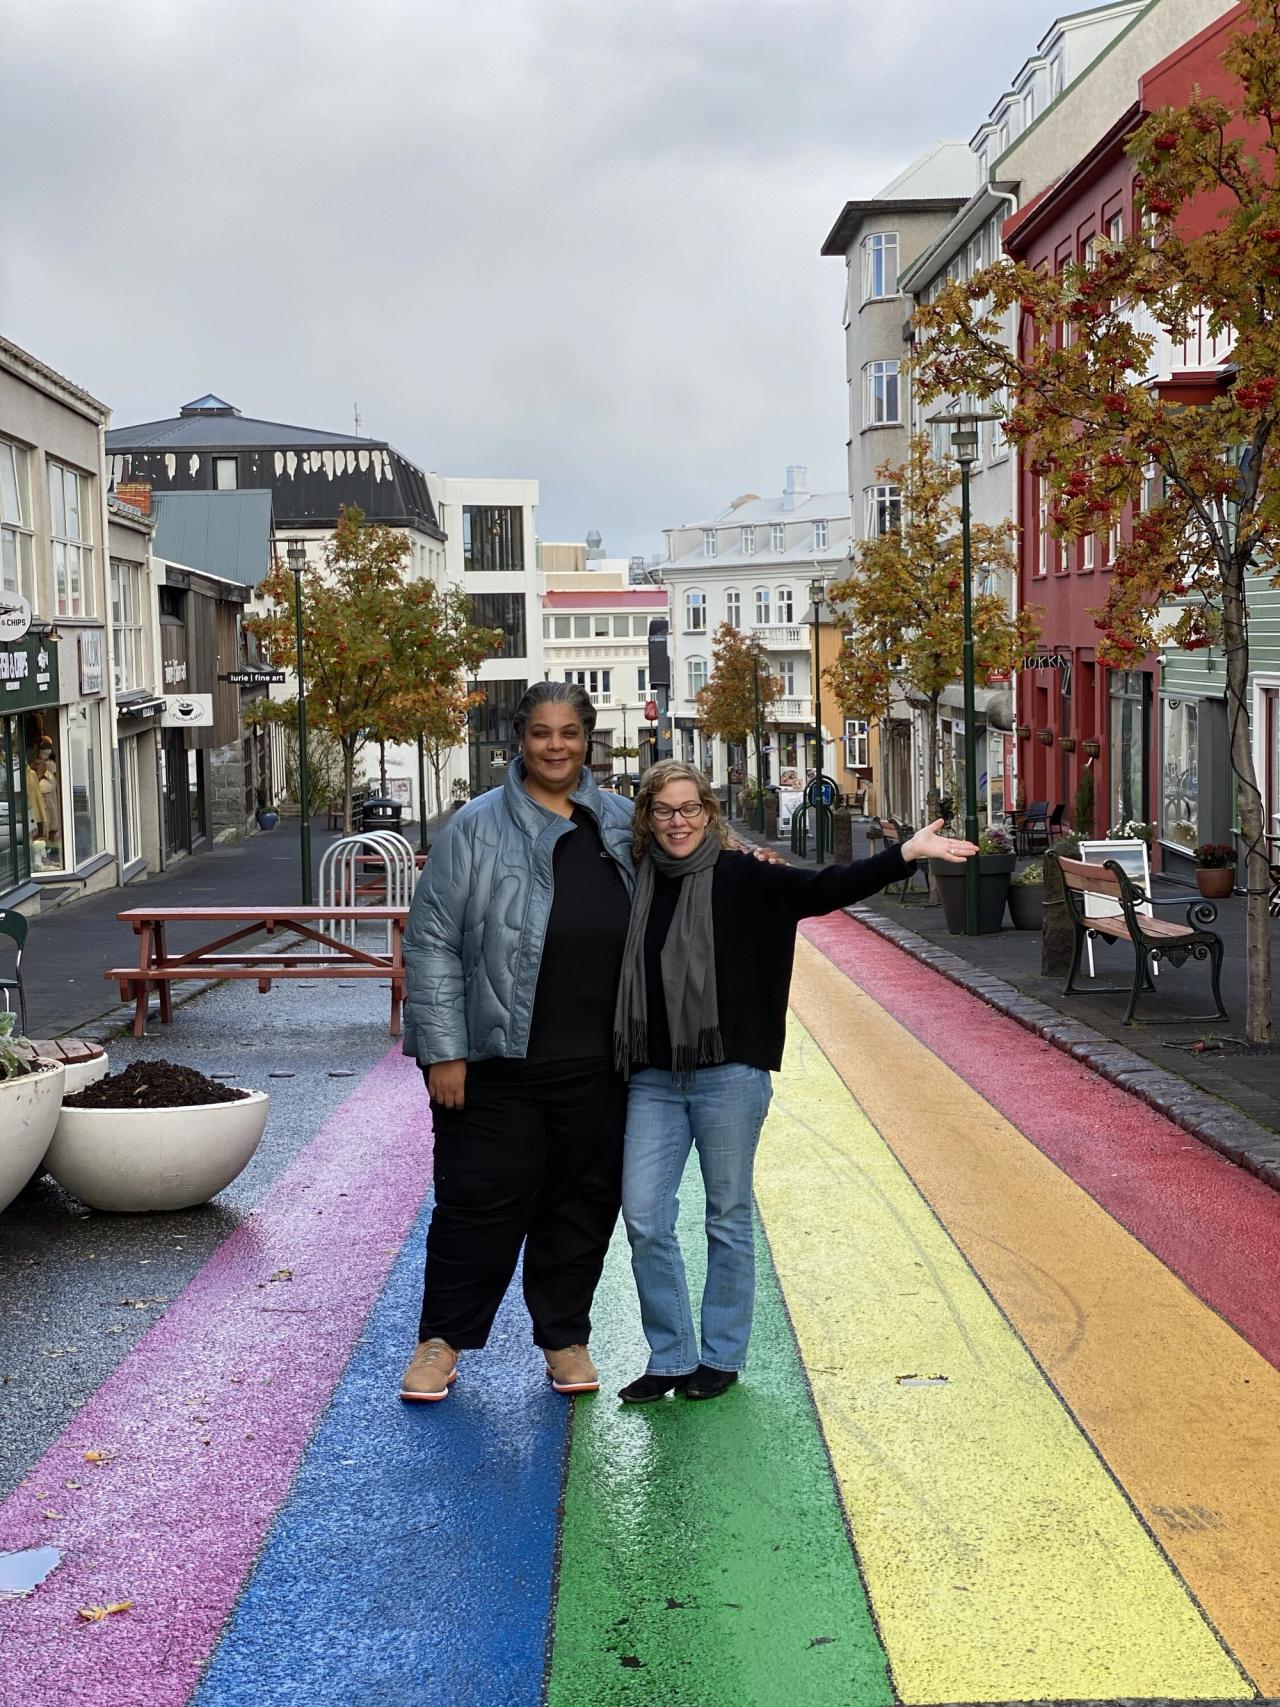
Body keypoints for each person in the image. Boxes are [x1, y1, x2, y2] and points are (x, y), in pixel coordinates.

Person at [613, 760, 974, 1403]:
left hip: (729, 1073)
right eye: (664, 810)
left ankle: (720, 1356)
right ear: (646, 816)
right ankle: (669, 1356)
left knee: (726, 1213)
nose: (678, 821)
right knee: (643, 1216)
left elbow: (824, 889)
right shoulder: (634, 881)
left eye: (690, 808)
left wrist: (905, 854)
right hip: (653, 1078)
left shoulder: (746, 876)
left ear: (709, 812)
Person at [399, 681, 637, 1402]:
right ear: (519, 739)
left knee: (582, 1204)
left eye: (568, 731)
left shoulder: (625, 824)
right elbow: (432, 939)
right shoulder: (474, 827)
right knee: (476, 1206)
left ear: (588, 737)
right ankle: (441, 1341)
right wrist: (443, 1048)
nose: (555, 745)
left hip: (601, 1064)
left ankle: (564, 1337)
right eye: (541, 732)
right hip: (496, 1060)